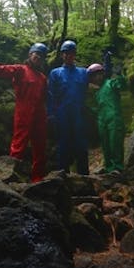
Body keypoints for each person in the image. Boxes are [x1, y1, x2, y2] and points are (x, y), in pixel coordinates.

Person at [0, 42, 49, 182]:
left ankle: (37, 178)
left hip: (39, 115)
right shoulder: (21, 69)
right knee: (18, 145)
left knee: (40, 147)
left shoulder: (43, 78)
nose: (38, 57)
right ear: (30, 54)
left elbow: (45, 97)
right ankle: (10, 176)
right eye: (36, 54)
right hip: (23, 113)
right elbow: (3, 70)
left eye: (41, 56)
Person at [47, 40, 90, 174]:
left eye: (71, 53)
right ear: (62, 55)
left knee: (81, 143)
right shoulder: (55, 73)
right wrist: (51, 113)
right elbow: (51, 95)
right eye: (65, 53)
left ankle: (84, 175)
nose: (68, 56)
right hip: (62, 113)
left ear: (75, 54)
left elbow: (99, 78)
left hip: (79, 112)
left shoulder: (83, 72)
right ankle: (62, 175)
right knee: (63, 144)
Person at [87, 50, 127, 173]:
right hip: (102, 121)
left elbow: (122, 85)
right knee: (106, 145)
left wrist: (120, 75)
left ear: (102, 74)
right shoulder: (98, 93)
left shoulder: (111, 83)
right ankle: (109, 168)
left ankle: (118, 167)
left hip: (114, 119)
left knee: (115, 143)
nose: (96, 78)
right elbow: (99, 108)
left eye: (98, 74)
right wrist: (88, 110)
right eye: (93, 76)